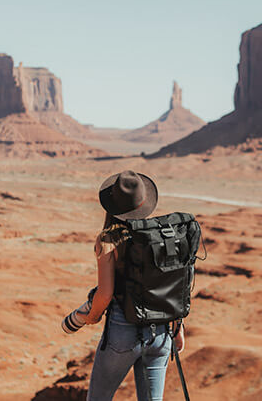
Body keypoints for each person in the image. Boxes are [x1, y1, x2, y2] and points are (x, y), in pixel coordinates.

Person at [79, 170, 185, 401]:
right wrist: (178, 327)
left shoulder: (108, 239)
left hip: (122, 332)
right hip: (162, 333)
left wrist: (91, 316)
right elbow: (173, 286)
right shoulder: (162, 237)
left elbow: (105, 294)